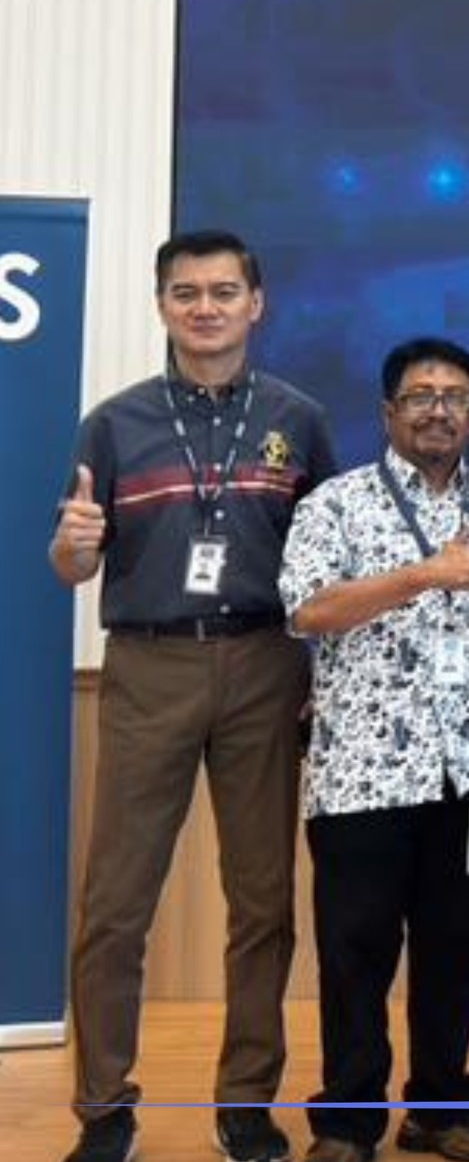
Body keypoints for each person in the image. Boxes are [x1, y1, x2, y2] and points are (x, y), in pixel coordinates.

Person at [49, 229, 336, 1162]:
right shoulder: (113, 422)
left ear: (257, 302)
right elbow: (71, 562)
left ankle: (245, 1101)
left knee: (263, 901)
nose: (205, 307)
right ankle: (104, 1109)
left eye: (222, 291)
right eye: (186, 292)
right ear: (162, 305)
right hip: (150, 665)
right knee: (115, 904)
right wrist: (73, 548)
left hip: (265, 665)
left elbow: (329, 566)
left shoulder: (301, 419)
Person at [279, 337, 469, 1162]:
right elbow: (308, 610)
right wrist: (423, 574)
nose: (439, 410)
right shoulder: (335, 503)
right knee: (355, 952)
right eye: (421, 395)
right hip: (360, 771)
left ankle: (439, 1111)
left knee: (459, 948)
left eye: (455, 396)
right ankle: (347, 1123)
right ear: (388, 411)